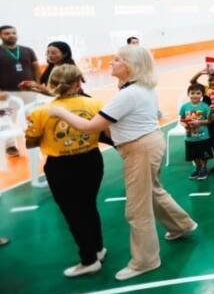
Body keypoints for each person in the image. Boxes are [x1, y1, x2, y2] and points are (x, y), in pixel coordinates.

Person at [48, 45, 196, 281]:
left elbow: (89, 127)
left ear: (130, 66)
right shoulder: (139, 87)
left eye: (116, 59)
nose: (111, 62)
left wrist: (58, 111)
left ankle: (146, 261)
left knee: (137, 209)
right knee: (154, 191)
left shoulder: (128, 94)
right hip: (149, 143)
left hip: (140, 148)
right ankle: (181, 225)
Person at [24, 65, 106, 277]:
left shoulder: (40, 112)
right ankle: (98, 248)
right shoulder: (94, 103)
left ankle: (88, 260)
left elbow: (30, 143)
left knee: (73, 213)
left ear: (51, 84)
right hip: (92, 160)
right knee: (88, 206)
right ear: (79, 83)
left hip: (61, 167)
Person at [0, 25, 41, 156]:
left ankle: (34, 140)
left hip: (29, 91)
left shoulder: (27, 50)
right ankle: (10, 146)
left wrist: (38, 84)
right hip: (6, 94)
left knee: (32, 117)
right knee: (7, 120)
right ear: (1, 36)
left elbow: (36, 68)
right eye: (7, 33)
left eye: (13, 33)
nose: (11, 35)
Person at [180, 83, 212, 180]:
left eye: (198, 93)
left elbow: (209, 120)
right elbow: (182, 119)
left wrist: (200, 122)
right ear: (188, 94)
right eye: (192, 93)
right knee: (193, 154)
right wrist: (185, 125)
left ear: (202, 95)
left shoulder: (205, 107)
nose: (195, 95)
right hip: (190, 136)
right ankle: (198, 168)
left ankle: (203, 168)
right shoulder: (184, 107)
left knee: (203, 154)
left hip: (203, 136)